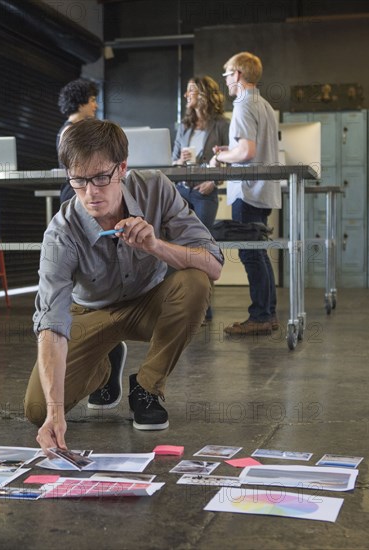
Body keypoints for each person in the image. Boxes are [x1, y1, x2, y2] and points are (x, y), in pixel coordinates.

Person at [24, 119, 224, 455]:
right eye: (79, 180)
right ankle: (105, 364)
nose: (92, 192)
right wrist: (55, 414)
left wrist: (156, 245)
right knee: (38, 410)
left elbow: (214, 265)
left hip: (150, 301)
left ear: (122, 168)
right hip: (90, 311)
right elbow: (51, 326)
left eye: (102, 177)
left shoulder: (156, 188)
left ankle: (147, 387)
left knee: (194, 282)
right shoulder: (60, 233)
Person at [57, 78, 128, 402]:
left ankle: (108, 342)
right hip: (79, 206)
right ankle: (101, 353)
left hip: (90, 202)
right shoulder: (73, 133)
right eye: (93, 99)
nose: (96, 104)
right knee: (80, 275)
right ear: (82, 101)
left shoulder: (91, 132)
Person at [209, 52, 280, 335]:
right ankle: (267, 313)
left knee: (251, 253)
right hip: (262, 190)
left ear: (237, 74)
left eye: (226, 74)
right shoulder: (263, 104)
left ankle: (261, 316)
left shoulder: (242, 105)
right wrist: (230, 152)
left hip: (249, 191)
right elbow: (250, 150)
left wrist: (221, 159)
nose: (225, 79)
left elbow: (247, 152)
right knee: (259, 252)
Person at [172, 75, 230, 322]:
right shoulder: (183, 127)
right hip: (183, 192)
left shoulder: (221, 125)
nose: (187, 95)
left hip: (206, 194)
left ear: (205, 94)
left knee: (202, 249)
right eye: (186, 90)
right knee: (180, 246)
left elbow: (229, 159)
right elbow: (172, 161)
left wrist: (215, 180)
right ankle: (185, 303)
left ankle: (204, 304)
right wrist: (180, 162)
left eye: (191, 90)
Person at [56, 78, 99, 204]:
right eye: (92, 100)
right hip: (75, 193)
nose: (95, 106)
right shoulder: (70, 130)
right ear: (80, 103)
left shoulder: (73, 129)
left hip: (80, 190)